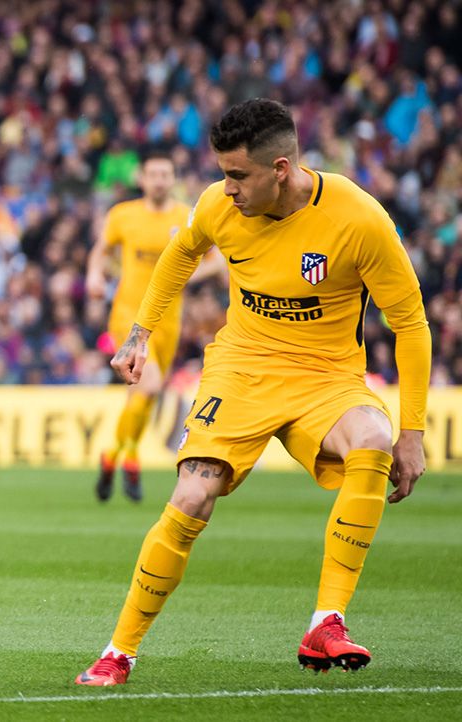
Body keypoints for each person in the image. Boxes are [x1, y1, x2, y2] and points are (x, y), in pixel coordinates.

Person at [76, 99, 429, 686]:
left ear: (282, 168)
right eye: (222, 172)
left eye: (238, 175)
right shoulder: (217, 206)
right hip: (240, 367)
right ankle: (119, 652)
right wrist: (140, 332)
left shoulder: (360, 220)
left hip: (326, 375)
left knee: (375, 437)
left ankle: (327, 621)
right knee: (191, 498)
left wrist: (413, 432)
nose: (226, 187)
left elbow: (412, 324)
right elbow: (180, 254)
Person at [85, 149, 225, 502]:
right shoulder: (124, 215)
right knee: (146, 388)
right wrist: (93, 275)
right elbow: (100, 249)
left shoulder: (186, 216)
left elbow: (216, 262)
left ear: (173, 178)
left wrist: (184, 276)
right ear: (141, 178)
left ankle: (115, 457)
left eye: (166, 174)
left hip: (169, 320)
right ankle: (126, 460)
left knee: (142, 396)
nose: (160, 180)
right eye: (154, 174)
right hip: (128, 316)